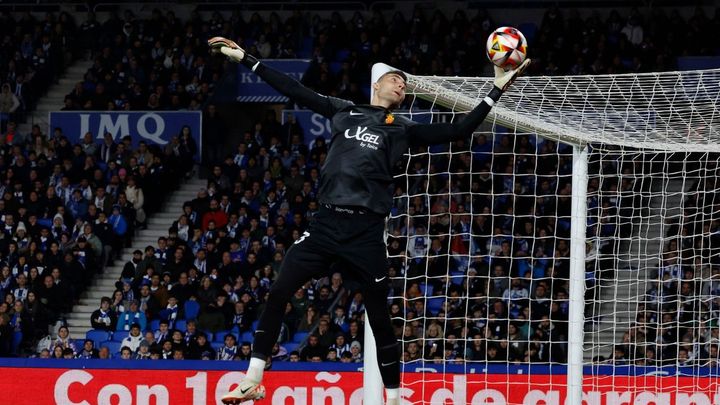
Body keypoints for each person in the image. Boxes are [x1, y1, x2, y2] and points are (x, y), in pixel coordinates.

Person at [208, 36, 530, 404]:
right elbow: (294, 90)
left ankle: (392, 397)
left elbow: (459, 130)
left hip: (366, 233)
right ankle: (253, 378)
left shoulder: (402, 127)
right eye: (396, 78)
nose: (402, 84)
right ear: (376, 82)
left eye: (405, 82)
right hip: (325, 225)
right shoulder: (344, 110)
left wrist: (497, 88)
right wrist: (246, 59)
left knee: (379, 317)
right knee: (280, 289)